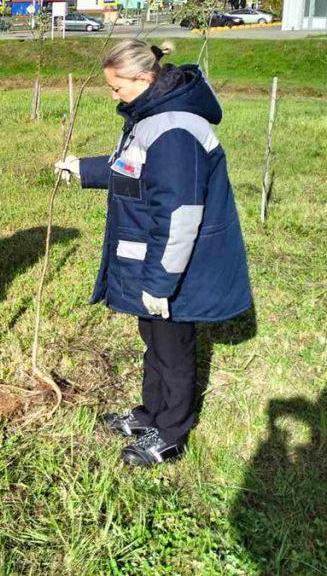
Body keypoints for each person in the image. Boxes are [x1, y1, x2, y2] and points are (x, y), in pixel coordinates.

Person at [56, 39, 251, 467]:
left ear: (145, 78)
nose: (114, 96)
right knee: (154, 341)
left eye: (117, 88)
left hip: (180, 265)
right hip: (159, 258)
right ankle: (150, 415)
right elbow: (132, 168)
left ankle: (171, 433)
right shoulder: (151, 116)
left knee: (174, 348)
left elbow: (180, 214)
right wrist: (84, 168)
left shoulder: (175, 130)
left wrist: (161, 283)